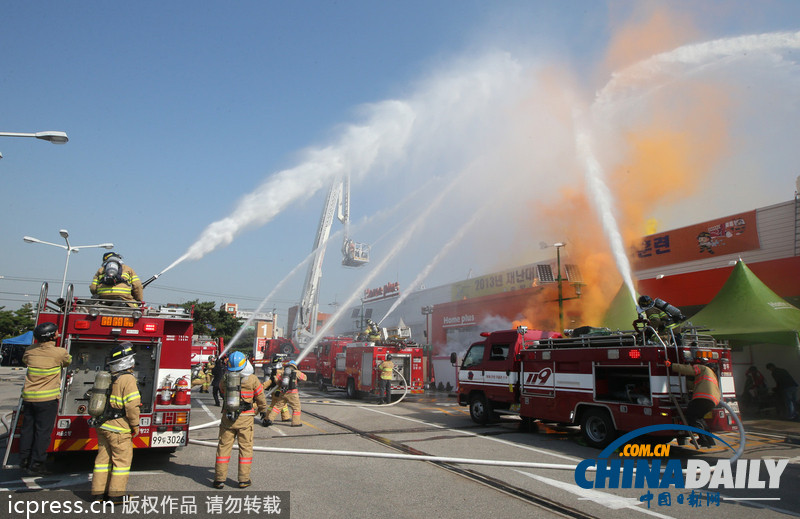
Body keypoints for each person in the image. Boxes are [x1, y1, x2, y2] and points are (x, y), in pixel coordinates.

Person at [19, 322, 72, 475]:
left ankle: (24, 459)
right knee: (42, 432)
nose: (58, 334)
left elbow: (25, 361)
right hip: (47, 400)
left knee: (28, 429)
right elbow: (68, 361)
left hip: (29, 398)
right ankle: (37, 463)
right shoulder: (59, 353)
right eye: (56, 333)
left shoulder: (30, 351)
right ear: (51, 336)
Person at [91, 342, 141, 503]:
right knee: (121, 462)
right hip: (119, 428)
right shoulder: (128, 379)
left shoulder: (109, 376)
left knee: (102, 461)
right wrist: (135, 425)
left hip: (103, 425)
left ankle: (98, 494)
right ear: (127, 361)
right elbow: (132, 405)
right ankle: (116, 495)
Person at [214, 351, 268, 489]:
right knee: (245, 449)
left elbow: (221, 390)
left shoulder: (226, 378)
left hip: (228, 417)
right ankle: (243, 480)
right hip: (246, 419)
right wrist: (263, 410)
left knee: (223, 448)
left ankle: (219, 479)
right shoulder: (252, 379)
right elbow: (260, 396)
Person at [665, 359, 720, 447]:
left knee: (691, 417)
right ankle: (709, 440)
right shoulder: (712, 376)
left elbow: (689, 369)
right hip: (712, 401)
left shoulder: (703, 368)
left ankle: (703, 439)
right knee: (699, 418)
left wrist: (671, 365)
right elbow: (693, 386)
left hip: (703, 397)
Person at [264, 359, 306, 427]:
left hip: (283, 392)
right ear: (294, 366)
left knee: (277, 407)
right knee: (296, 408)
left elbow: (277, 380)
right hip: (293, 393)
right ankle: (296, 422)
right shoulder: (296, 372)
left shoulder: (283, 372)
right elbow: (305, 378)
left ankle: (269, 419)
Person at [263, 355, 290, 422]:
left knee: (283, 405)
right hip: (277, 391)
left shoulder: (273, 370)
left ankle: (285, 417)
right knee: (273, 405)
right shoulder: (278, 372)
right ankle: (267, 417)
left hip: (276, 391)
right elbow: (278, 382)